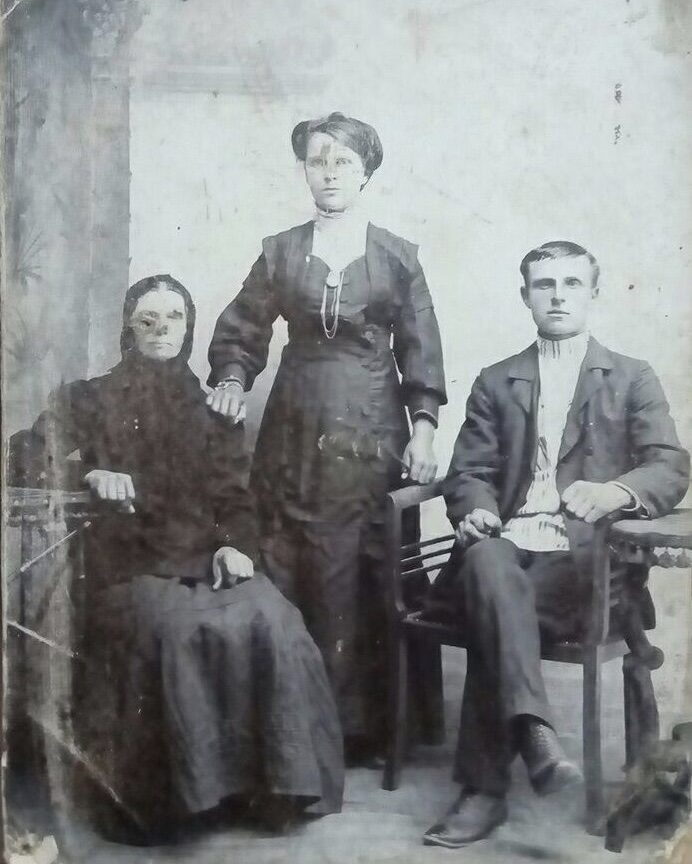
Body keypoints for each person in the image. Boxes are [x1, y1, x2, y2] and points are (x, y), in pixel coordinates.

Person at [9, 275, 344, 843]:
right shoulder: (88, 398)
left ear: (189, 328)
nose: (161, 329)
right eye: (148, 319)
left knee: (274, 619)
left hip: (204, 557)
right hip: (125, 566)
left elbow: (235, 499)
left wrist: (235, 546)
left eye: (174, 318)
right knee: (174, 632)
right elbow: (20, 456)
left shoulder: (212, 408)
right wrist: (88, 473)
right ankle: (186, 801)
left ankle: (264, 790)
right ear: (128, 327)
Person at [423, 242, 690, 848]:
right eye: (544, 285)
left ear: (593, 293)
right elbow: (469, 472)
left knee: (497, 605)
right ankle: (535, 734)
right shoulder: (497, 379)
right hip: (502, 548)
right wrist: (477, 510)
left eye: (572, 283)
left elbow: (669, 465)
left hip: (581, 569)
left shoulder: (631, 376)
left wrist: (617, 491)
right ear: (526, 297)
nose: (558, 296)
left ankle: (484, 789)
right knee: (489, 564)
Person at [207, 112, 447, 757]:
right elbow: (242, 329)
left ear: (366, 172)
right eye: (319, 162)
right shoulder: (280, 251)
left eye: (344, 162)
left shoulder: (397, 255)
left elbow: (421, 351)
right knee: (288, 554)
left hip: (371, 428)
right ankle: (289, 725)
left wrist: (424, 432)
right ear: (305, 172)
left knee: (358, 561)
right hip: (294, 424)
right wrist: (231, 378)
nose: (330, 174)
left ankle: (360, 729)